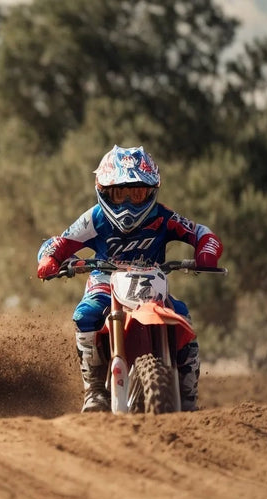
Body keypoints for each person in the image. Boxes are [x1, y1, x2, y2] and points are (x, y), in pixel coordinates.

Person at [36, 145, 223, 412]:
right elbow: (60, 242)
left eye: (136, 193)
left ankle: (188, 394)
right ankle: (94, 390)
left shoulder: (163, 217)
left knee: (182, 315)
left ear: (150, 191)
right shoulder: (95, 218)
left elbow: (200, 232)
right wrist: (49, 259)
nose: (126, 203)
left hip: (152, 284)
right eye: (119, 193)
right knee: (86, 314)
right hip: (104, 280)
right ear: (104, 191)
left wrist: (206, 250)